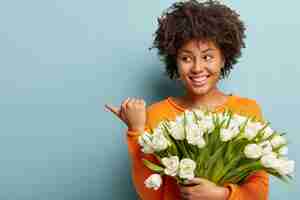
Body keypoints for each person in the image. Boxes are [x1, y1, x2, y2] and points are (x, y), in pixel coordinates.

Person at [105, 0, 269, 199]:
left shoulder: (247, 110)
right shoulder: (157, 114)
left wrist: (222, 195)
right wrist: (136, 131)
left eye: (208, 57)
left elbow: (260, 189)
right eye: (186, 58)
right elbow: (150, 194)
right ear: (175, 62)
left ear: (223, 59)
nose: (198, 68)